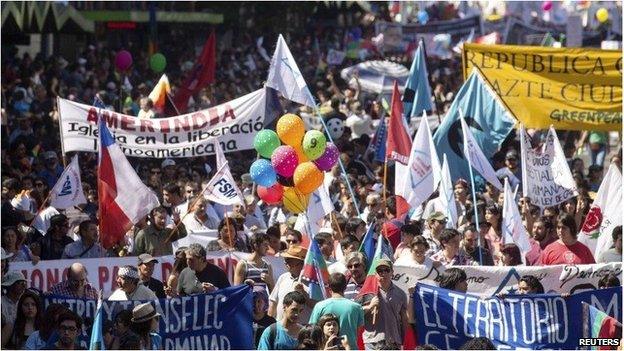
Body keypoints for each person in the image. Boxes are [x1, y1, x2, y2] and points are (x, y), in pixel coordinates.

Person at [360, 260, 409, 350]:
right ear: (375, 274)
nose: (383, 273)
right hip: (373, 341)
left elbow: (404, 319)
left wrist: (404, 340)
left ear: (392, 272)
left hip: (394, 341)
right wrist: (370, 306)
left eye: (386, 270)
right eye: (380, 271)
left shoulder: (401, 293)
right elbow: (357, 313)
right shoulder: (367, 293)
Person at [309, 273, 364, 350]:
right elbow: (358, 332)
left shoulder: (320, 306)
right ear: (345, 287)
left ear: (329, 287)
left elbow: (313, 330)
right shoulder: (356, 307)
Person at [268, 245, 312, 323]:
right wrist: (269, 324)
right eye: (285, 260)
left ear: (301, 263)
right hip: (281, 327)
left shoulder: (312, 282)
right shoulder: (283, 278)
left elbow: (316, 306)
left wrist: (304, 293)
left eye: (289, 260)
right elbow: (273, 302)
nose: (285, 262)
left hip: (302, 330)